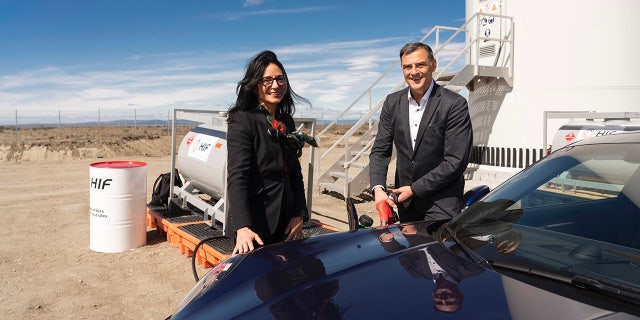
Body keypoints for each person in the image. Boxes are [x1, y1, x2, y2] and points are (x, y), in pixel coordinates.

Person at [369, 42, 473, 222]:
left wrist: (415, 189)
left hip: (442, 203)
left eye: (420, 65)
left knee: (438, 250)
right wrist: (378, 189)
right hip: (406, 202)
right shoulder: (392, 102)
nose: (414, 72)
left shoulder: (454, 104)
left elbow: (455, 160)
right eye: (407, 67)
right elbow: (380, 150)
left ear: (433, 65)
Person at [226, 50, 317, 255]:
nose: (275, 85)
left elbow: (294, 172)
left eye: (279, 79)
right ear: (255, 84)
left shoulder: (286, 122)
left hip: (287, 222)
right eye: (267, 80)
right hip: (256, 224)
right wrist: (242, 228)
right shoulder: (243, 120)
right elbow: (237, 176)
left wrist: (299, 214)